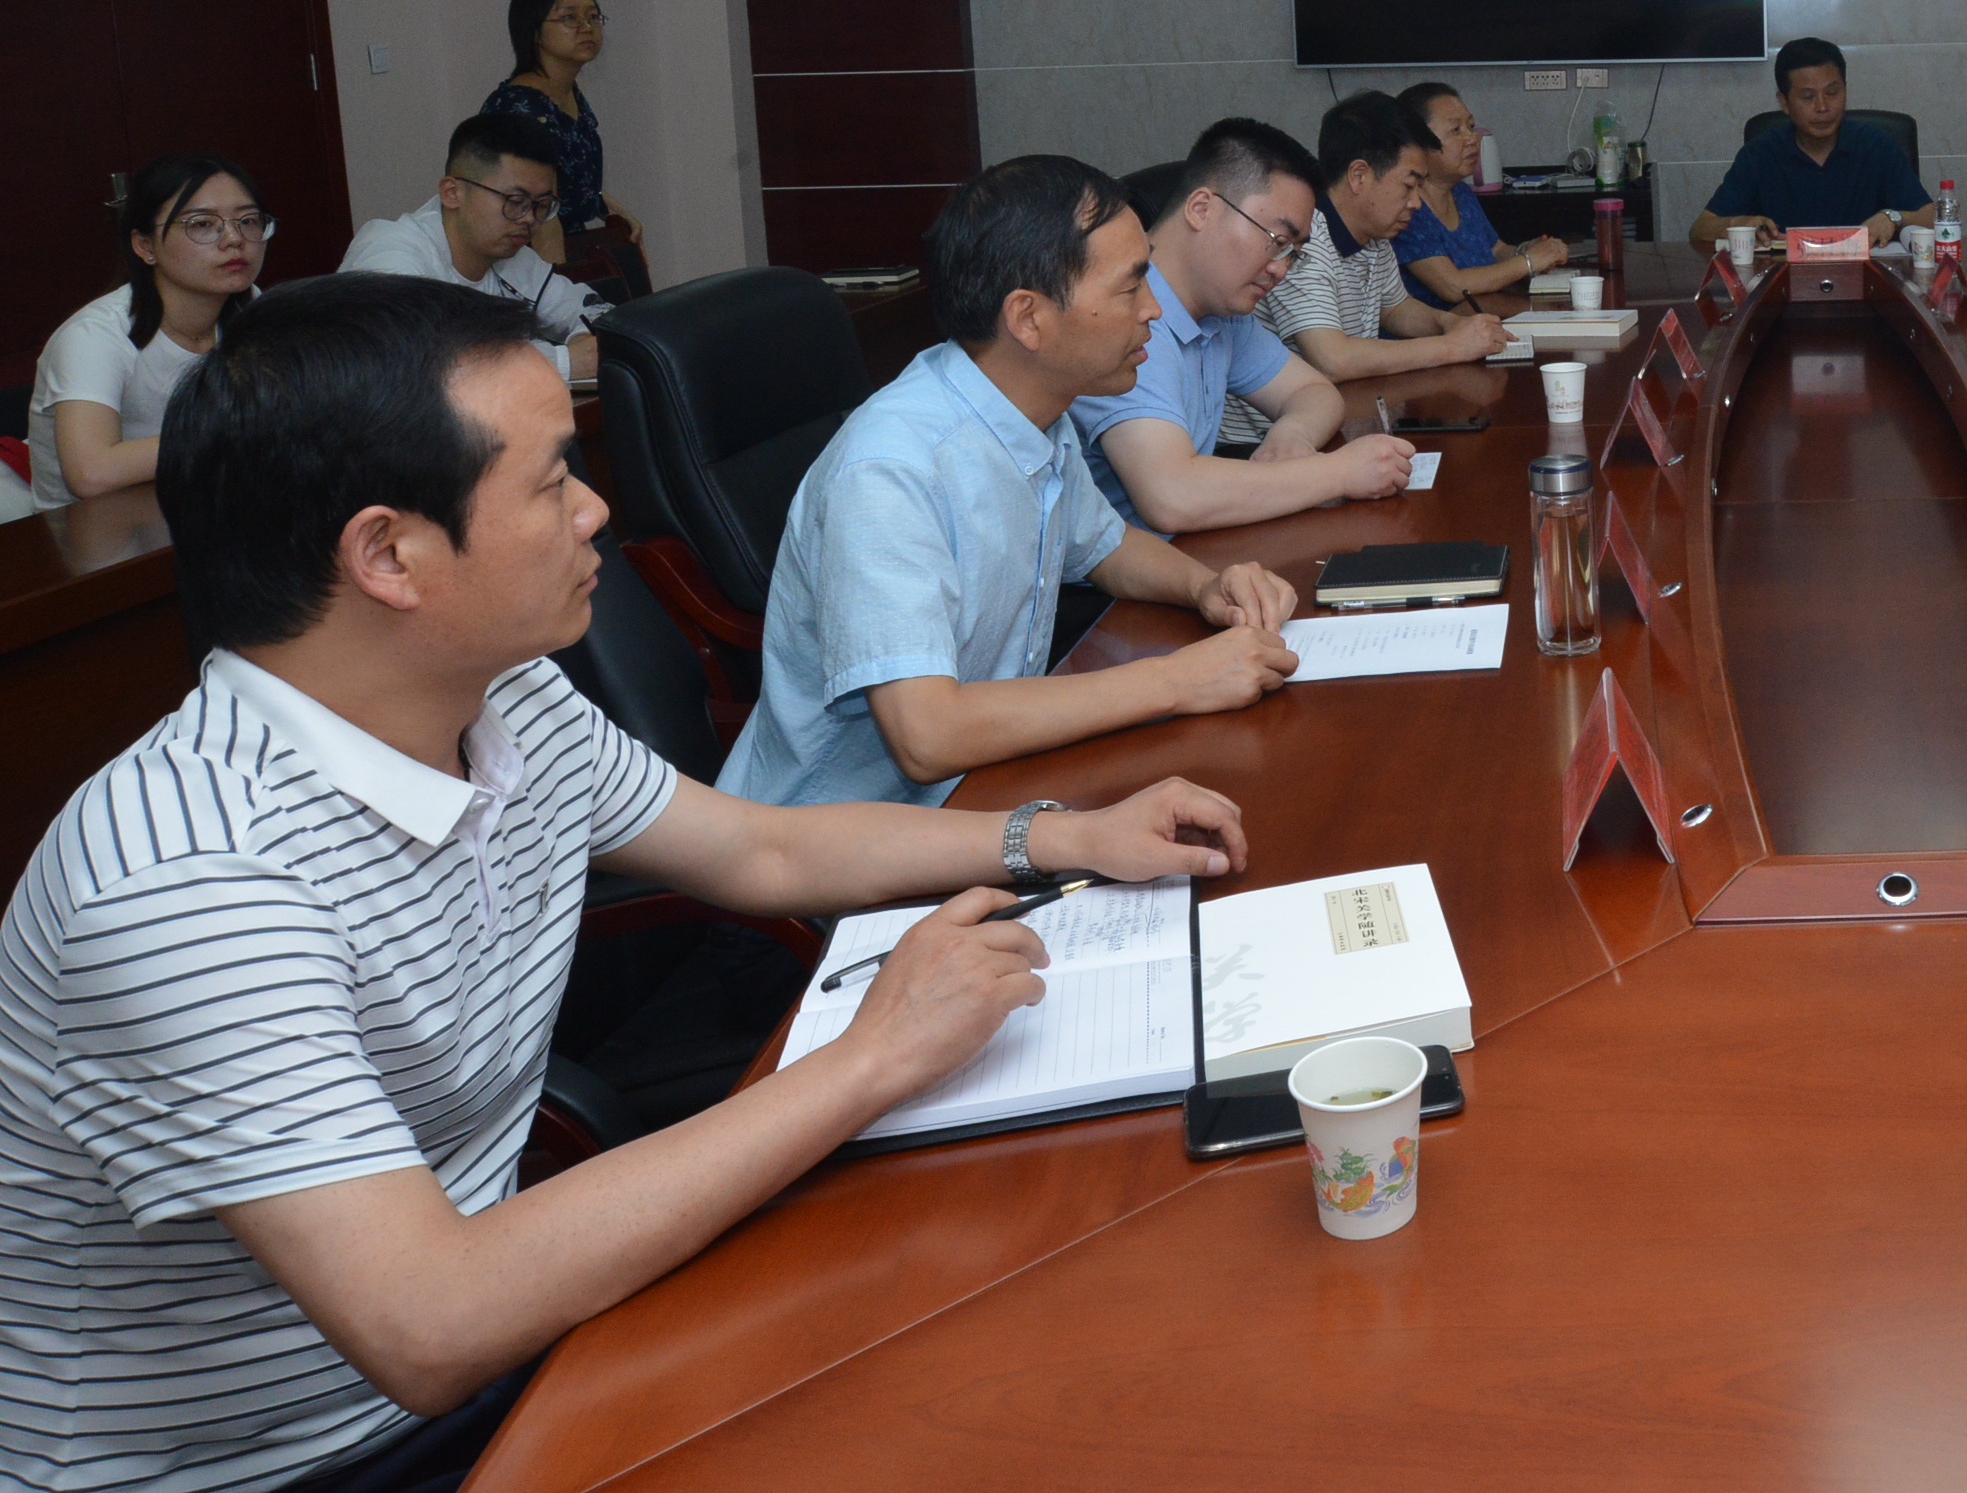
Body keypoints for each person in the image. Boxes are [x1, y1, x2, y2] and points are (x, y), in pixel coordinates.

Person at [0, 274, 1254, 1493]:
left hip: (518, 1334)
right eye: (553, 479)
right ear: (387, 552)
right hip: (304, 1454)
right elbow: (428, 1321)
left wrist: (1062, 837)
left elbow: (761, 849)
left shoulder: (501, 694)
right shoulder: (187, 883)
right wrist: (872, 1056)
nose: (597, 509)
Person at [718, 155, 1304, 811]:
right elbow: (927, 736)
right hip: (839, 836)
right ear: (1028, 318)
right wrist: (1176, 680)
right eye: (1131, 286)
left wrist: (1205, 587)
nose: (1152, 309)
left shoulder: (1031, 408)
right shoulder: (889, 472)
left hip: (988, 786)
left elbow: (1105, 546)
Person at [1074, 116, 1421, 533]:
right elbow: (1172, 496)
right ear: (1201, 209)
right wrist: (1342, 472)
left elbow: (1314, 391)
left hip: (1195, 548)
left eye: (1293, 253)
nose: (1280, 269)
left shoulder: (1221, 311)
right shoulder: (1126, 317)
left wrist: (1292, 434)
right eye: (1277, 242)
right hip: (1129, 570)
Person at [1240, 92, 1509, 438]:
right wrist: (1453, 347)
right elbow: (1332, 359)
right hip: (1273, 442)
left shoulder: (1375, 234)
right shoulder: (1304, 239)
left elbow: (1396, 309)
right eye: (1409, 185)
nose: (1416, 203)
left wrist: (1450, 323)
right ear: (1359, 175)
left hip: (1345, 420)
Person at [24, 152, 268, 510]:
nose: (234, 239)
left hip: (202, 503)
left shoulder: (250, 307)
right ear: (145, 245)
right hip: (91, 530)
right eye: (202, 224)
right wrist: (242, 434)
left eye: (248, 221)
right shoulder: (94, 336)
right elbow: (91, 473)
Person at [339, 114, 605, 386]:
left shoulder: (513, 257)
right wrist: (565, 362)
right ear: (452, 193)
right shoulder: (391, 253)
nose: (528, 218)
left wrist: (586, 340)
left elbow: (595, 312)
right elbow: (417, 360)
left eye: (542, 205)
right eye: (516, 201)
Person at [483, 0, 643, 296]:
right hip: (525, 267)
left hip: (570, 249)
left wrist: (607, 205)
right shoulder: (521, 108)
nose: (587, 27)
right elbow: (541, 221)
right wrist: (560, 301)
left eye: (593, 17)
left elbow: (567, 174)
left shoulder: (566, 92)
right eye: (570, 18)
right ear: (534, 31)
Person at [1688, 38, 1934, 248]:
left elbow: (1934, 218)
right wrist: (1740, 224)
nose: (1823, 107)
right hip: (1782, 282)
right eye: (1807, 97)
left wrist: (1894, 218)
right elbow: (1700, 229)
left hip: (1865, 280)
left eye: (1832, 93)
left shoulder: (1876, 146)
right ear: (1784, 103)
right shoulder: (1760, 154)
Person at [1392, 81, 1566, 305]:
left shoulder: (1461, 192)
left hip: (1485, 315)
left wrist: (1529, 250)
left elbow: (1496, 250)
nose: (1472, 139)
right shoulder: (1406, 208)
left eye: (1471, 126)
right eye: (1456, 130)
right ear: (1416, 141)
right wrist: (1528, 262)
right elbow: (1453, 286)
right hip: (1442, 325)